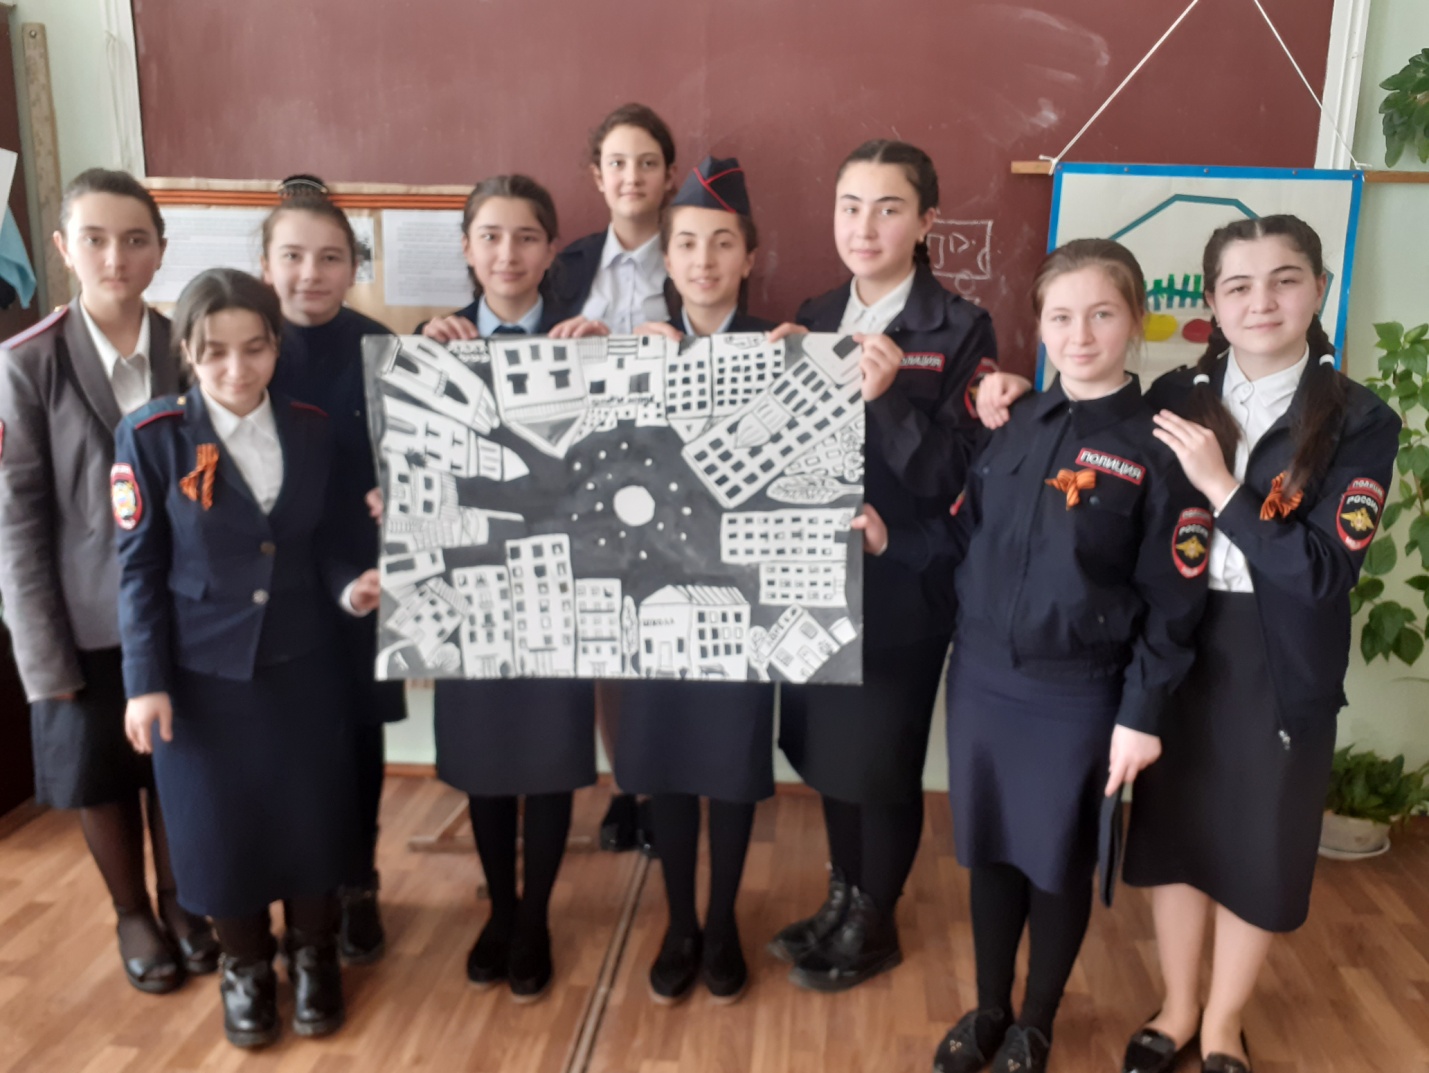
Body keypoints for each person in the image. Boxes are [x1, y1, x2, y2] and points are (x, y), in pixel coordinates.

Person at [869, 238, 1206, 1073]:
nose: (1078, 335)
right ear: (1039, 326)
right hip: (983, 678)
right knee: (990, 849)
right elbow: (964, 537)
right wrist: (890, 541)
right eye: (1060, 316)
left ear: (1135, 319)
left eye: (1101, 313)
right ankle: (989, 1006)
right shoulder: (1012, 420)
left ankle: (1036, 1021)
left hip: (1079, 693)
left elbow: (1174, 602)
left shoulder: (1160, 448)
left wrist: (1140, 713)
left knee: (1056, 861)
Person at [1117, 217, 1399, 1073]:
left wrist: (1221, 487)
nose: (1261, 301)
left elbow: (1320, 571)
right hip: (1178, 643)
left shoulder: (1358, 418)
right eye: (1237, 285)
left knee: (1259, 845)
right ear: (1210, 301)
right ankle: (1176, 1006)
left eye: (1284, 279)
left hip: (1281, 656)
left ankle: (1222, 1022)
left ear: (1318, 289)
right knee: (1172, 835)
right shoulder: (1174, 394)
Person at [115, 268, 380, 1048]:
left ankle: (314, 953)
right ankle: (246, 965)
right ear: (188, 353)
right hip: (201, 678)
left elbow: (328, 540)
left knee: (311, 818)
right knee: (219, 831)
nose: (237, 369)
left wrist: (350, 587)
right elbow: (138, 569)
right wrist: (145, 682)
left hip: (303, 664)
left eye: (255, 348)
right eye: (216, 352)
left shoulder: (310, 426)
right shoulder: (153, 436)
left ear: (276, 346)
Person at [766, 139, 997, 993]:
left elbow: (958, 476)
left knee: (883, 759)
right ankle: (841, 896)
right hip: (813, 579)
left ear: (926, 221)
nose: (864, 226)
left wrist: (888, 398)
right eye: (849, 206)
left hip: (904, 582)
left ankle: (876, 919)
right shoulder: (816, 309)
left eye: (888, 208)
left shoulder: (959, 327)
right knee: (831, 749)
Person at [0, 168, 217, 994]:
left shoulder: (189, 347)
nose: (115, 258)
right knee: (102, 773)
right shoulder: (28, 362)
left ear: (160, 251)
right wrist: (41, 657)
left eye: (134, 240)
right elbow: (16, 523)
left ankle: (184, 902)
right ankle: (132, 912)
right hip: (83, 619)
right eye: (94, 239)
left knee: (177, 767)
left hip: (183, 609)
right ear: (63, 248)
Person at [421, 176, 597, 1002]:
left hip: (559, 584)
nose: (506, 253)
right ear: (466, 247)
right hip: (469, 586)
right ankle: (499, 907)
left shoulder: (584, 341)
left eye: (526, 236)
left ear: (551, 249)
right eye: (489, 236)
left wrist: (607, 362)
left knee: (549, 753)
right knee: (485, 756)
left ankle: (534, 918)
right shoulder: (429, 347)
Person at [616, 155, 777, 1004]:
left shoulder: (785, 351)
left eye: (721, 243)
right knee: (667, 762)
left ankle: (722, 921)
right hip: (649, 599)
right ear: (666, 257)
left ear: (749, 256)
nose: (703, 260)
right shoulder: (628, 353)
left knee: (730, 765)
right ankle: (678, 919)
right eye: (686, 243)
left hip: (743, 602)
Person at [262, 174, 404, 964]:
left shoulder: (382, 349)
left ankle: (357, 882)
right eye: (292, 255)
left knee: (356, 736)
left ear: (353, 267)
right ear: (265, 264)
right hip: (270, 584)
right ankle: (297, 891)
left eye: (329, 257)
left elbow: (412, 461)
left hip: (358, 580)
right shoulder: (244, 346)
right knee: (284, 741)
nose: (309, 273)